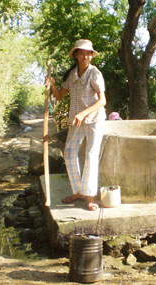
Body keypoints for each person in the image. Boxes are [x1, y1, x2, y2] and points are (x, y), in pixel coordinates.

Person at [45, 39, 106, 211]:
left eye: (88, 53)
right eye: (82, 53)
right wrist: (52, 84)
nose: (85, 56)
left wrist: (83, 113)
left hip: (94, 119)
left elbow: (102, 101)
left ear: (91, 56)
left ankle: (90, 197)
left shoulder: (95, 74)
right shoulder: (72, 75)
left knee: (91, 155)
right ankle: (78, 191)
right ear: (76, 55)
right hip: (76, 120)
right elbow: (59, 96)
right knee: (69, 153)